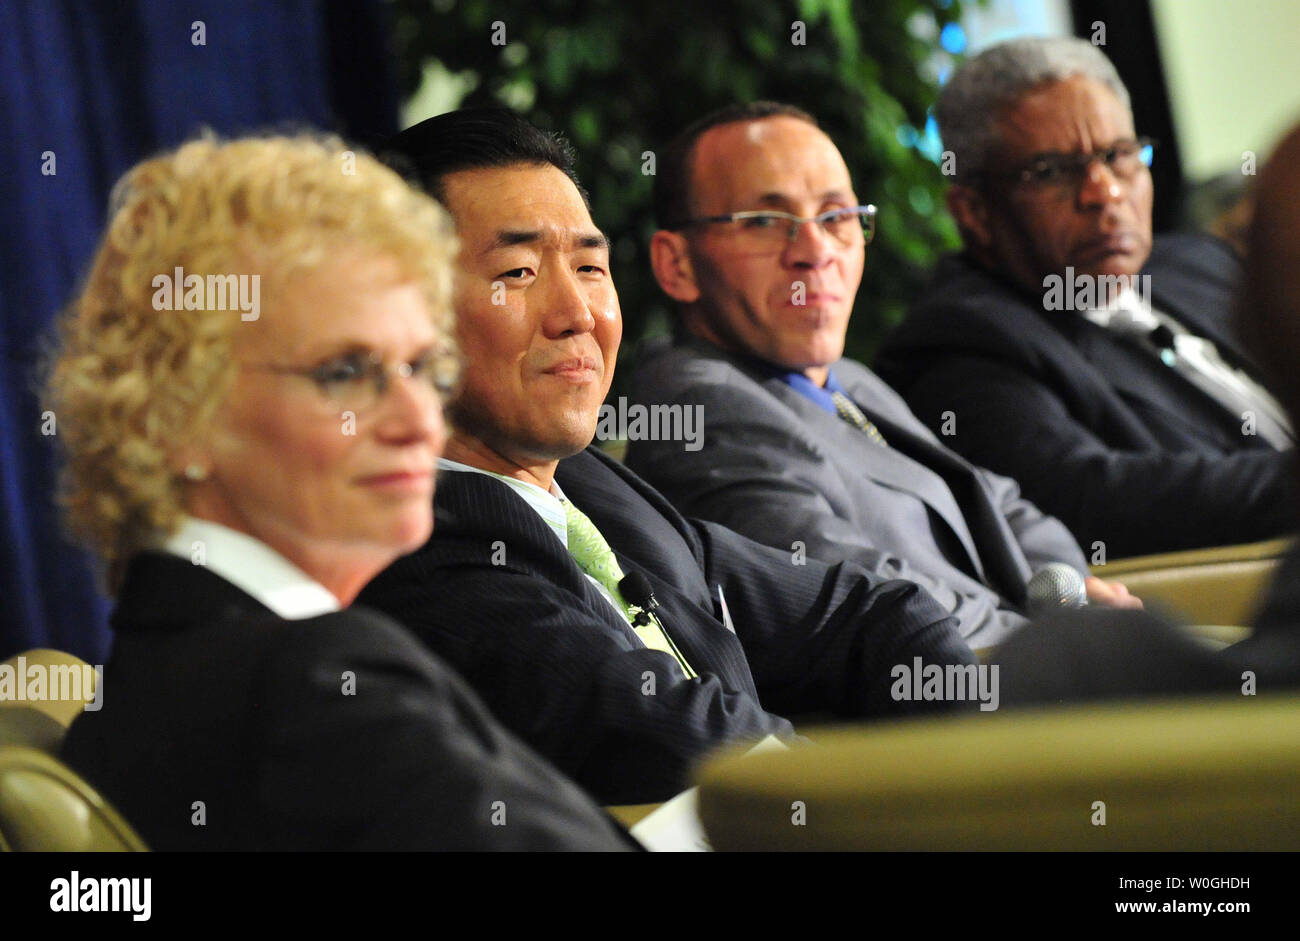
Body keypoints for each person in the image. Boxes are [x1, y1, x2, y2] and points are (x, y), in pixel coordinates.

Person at [359, 109, 977, 806]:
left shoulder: (597, 492)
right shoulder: (420, 551)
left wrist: (966, 776)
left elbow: (875, 614)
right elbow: (699, 749)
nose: (578, 312)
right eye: (520, 270)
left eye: (591, 266)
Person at [51, 133, 635, 851]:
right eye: (346, 372)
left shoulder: (152, 686)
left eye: (423, 365)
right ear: (179, 415)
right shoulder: (314, 686)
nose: (417, 416)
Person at [626, 101, 1138, 651]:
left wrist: (1070, 598)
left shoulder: (846, 378)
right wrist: (1060, 642)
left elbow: (1006, 507)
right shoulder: (698, 409)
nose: (815, 251)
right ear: (676, 265)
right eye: (765, 222)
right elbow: (884, 606)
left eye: (836, 216)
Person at [875, 36, 1295, 560]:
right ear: (975, 212)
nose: (1105, 193)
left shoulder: (1200, 263)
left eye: (1118, 156)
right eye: (1050, 171)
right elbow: (1089, 499)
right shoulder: (960, 346)